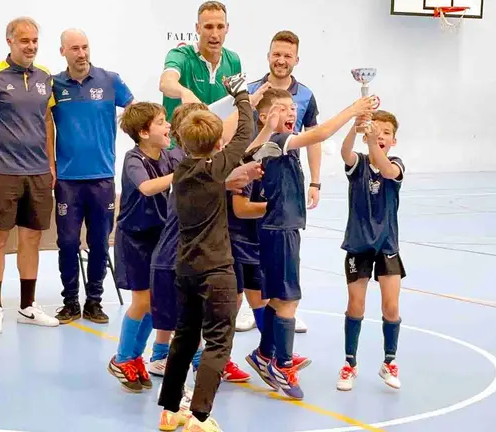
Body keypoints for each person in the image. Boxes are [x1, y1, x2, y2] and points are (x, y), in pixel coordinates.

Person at [244, 88, 376, 400]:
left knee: (280, 298)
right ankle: (282, 364)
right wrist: (352, 108)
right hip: (278, 229)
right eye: (282, 108)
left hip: (283, 227)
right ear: (264, 117)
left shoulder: (277, 143)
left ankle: (265, 355)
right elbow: (320, 132)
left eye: (293, 108)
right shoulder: (277, 142)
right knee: (288, 300)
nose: (291, 113)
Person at [157, 74, 270, 432]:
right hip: (217, 270)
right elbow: (245, 131)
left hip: (186, 268)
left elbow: (234, 138)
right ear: (218, 143)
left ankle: (170, 410)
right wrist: (241, 94)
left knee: (185, 337)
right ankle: (200, 417)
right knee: (218, 342)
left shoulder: (180, 169)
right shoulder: (217, 167)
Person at [0, 17, 59, 334]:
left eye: (35, 40)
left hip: (37, 173)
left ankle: (27, 307)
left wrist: (51, 163)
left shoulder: (46, 77)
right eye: (24, 41)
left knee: (31, 238)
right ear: (10, 41)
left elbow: (47, 120)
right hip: (1, 171)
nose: (31, 46)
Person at [238, 30, 322, 334]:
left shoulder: (306, 95)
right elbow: (239, 134)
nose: (281, 60)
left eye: (287, 55)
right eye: (277, 54)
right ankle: (255, 306)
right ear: (268, 55)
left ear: (296, 60)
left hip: (284, 179)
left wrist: (316, 181)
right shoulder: (251, 91)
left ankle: (283, 306)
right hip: (253, 174)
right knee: (251, 246)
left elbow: (313, 139)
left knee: (283, 249)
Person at [51, 29, 134, 324]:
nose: (82, 53)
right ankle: (71, 302)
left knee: (99, 242)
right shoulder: (54, 85)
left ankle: (94, 301)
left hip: (102, 178)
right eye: (74, 48)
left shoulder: (110, 81)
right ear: (63, 52)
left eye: (85, 47)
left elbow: (136, 112)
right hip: (67, 180)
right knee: (68, 242)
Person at [336, 111, 406, 392]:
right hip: (359, 245)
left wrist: (372, 141)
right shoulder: (359, 163)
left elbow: (385, 168)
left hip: (387, 245)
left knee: (391, 307)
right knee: (356, 305)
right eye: (377, 131)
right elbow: (344, 152)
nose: (381, 136)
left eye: (386, 132)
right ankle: (349, 364)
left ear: (394, 140)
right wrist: (355, 128)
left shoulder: (396, 165)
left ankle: (389, 362)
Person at [107, 102, 172, 393]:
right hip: (134, 239)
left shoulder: (170, 155)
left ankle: (136, 356)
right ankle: (122, 358)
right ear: (144, 132)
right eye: (161, 122)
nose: (168, 125)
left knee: (154, 302)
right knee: (142, 301)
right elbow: (146, 188)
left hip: (159, 237)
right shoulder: (134, 159)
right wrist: (181, 175)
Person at [159, 1, 241, 121]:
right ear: (198, 28)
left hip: (215, 138)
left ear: (227, 28)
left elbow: (236, 105)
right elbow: (165, 83)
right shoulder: (180, 55)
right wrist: (184, 92)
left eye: (220, 27)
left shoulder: (233, 60)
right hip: (178, 138)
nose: (215, 34)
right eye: (208, 27)